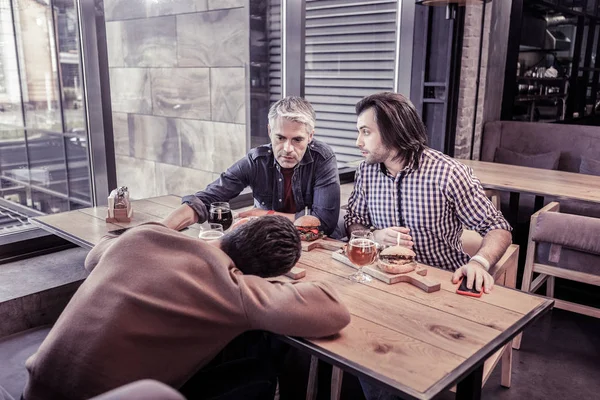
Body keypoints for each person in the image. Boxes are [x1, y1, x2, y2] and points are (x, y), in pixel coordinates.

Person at [23, 216, 351, 400]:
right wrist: (277, 283)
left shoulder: (142, 237)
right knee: (258, 369)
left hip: (34, 390)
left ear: (237, 228)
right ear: (260, 275)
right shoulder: (233, 289)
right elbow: (335, 310)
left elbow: (94, 257)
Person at [344, 92, 512, 399]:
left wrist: (479, 262)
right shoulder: (366, 170)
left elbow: (498, 228)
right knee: (354, 348)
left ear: (394, 131)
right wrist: (372, 235)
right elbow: (354, 219)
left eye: (365, 132)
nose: (358, 141)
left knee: (388, 366)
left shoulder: (448, 173)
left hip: (440, 288)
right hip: (383, 286)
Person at [162, 96, 341, 237]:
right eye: (280, 138)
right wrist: (158, 231)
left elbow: (324, 222)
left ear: (310, 136)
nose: (287, 149)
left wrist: (265, 215)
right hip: (267, 241)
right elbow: (205, 199)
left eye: (297, 139)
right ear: (270, 131)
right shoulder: (257, 160)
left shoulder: (323, 158)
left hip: (314, 245)